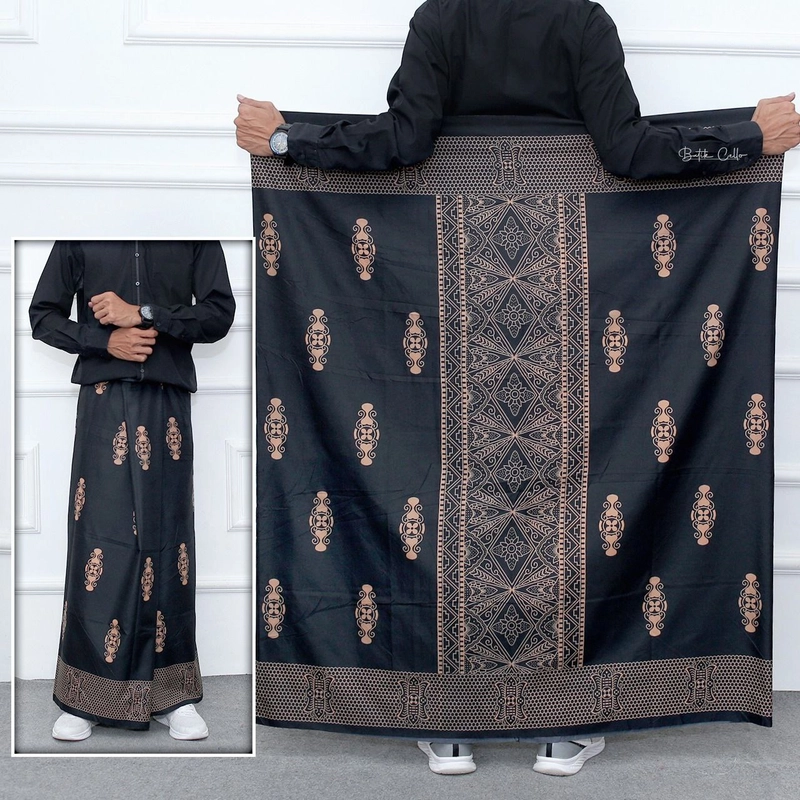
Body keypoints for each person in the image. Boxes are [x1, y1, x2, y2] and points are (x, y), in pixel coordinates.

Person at [233, 0, 800, 776]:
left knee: (444, 494)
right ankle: (562, 728)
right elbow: (631, 153)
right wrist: (747, 141)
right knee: (568, 500)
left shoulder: (443, 19)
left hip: (445, 297)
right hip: (575, 298)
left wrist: (285, 141)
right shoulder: (581, 21)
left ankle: (448, 728)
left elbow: (401, 144)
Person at [29, 241, 235, 743]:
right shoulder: (81, 230)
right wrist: (105, 341)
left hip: (167, 403)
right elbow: (43, 316)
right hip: (104, 400)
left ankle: (174, 695)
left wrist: (145, 314)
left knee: (168, 543)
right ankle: (84, 694)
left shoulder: (193, 233)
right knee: (100, 541)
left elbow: (218, 315)